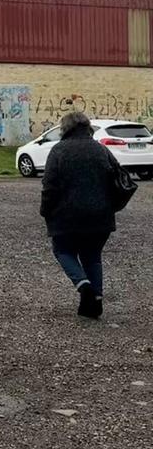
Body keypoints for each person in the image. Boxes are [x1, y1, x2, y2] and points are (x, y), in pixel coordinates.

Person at [40, 111, 130, 319]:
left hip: (66, 217)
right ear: (87, 127)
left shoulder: (58, 151)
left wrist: (45, 210)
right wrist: (111, 207)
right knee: (92, 257)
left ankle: (84, 285)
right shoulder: (101, 150)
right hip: (100, 217)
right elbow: (119, 181)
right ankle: (95, 303)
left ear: (65, 129)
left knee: (62, 250)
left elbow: (49, 187)